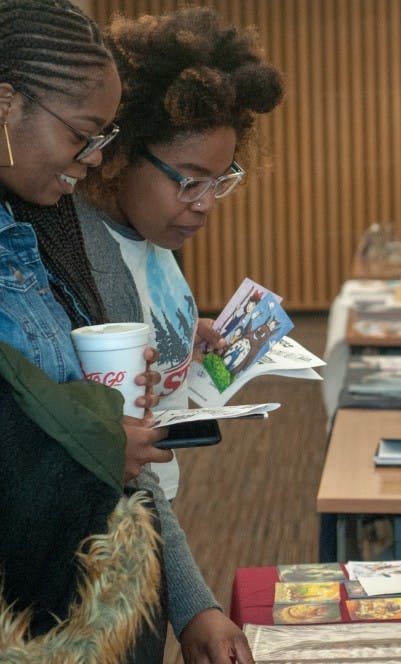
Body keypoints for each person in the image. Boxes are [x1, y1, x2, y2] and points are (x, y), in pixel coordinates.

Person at [0, 0, 166, 659]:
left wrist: (116, 393)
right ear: (6, 103)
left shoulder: (34, 222)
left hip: (71, 597)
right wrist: (97, 437)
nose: (94, 159)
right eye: (82, 134)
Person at [76, 7, 283, 507]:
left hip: (161, 500)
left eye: (219, 182)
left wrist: (185, 332)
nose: (206, 204)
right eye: (189, 181)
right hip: (116, 512)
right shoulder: (82, 257)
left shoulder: (154, 240)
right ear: (120, 154)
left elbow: (144, 318)